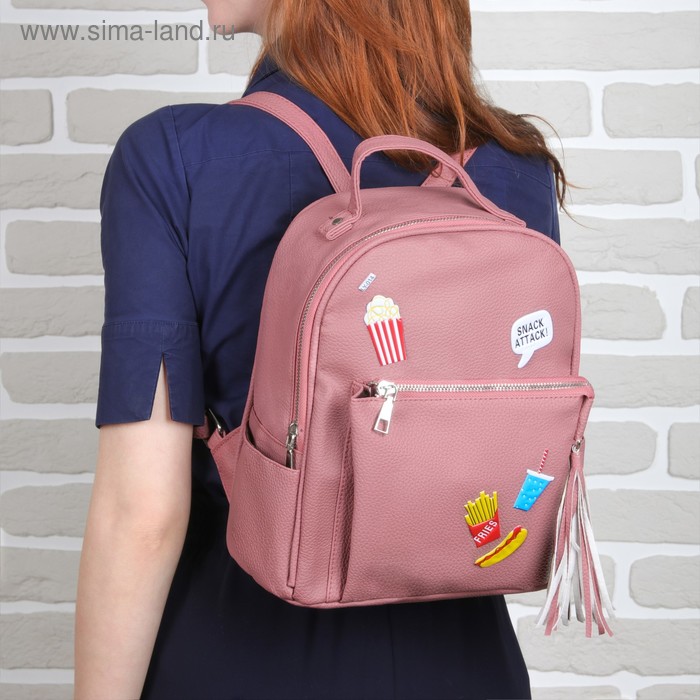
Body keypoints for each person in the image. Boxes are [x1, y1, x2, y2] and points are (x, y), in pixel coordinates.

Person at [74, 1, 567, 698]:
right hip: (467, 663)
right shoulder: (516, 167)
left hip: (239, 656)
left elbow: (142, 516)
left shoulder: (174, 156)